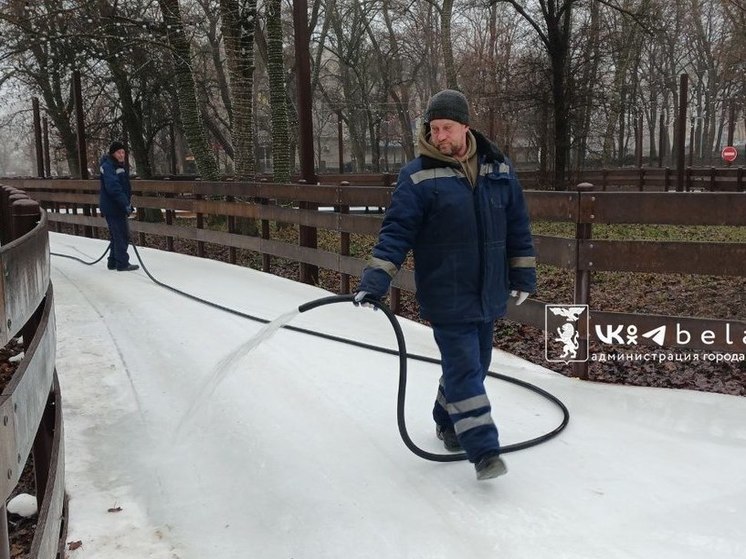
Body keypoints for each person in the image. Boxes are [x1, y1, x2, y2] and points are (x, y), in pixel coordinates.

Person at [354, 89, 536, 481]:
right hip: (445, 292)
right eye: (433, 129)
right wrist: (375, 280)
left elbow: (517, 226)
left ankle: (446, 419)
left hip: (487, 291)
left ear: (466, 127)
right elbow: (396, 232)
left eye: (447, 128)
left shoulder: (498, 169)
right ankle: (484, 451)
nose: (439, 136)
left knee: (477, 364)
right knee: (465, 368)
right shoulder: (417, 176)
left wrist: (522, 274)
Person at [99, 140, 139, 272]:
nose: (122, 155)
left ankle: (113, 261)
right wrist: (125, 203)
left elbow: (123, 186)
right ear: (113, 153)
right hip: (113, 206)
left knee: (117, 234)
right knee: (121, 234)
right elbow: (114, 188)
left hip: (117, 206)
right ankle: (122, 263)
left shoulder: (118, 165)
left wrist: (126, 203)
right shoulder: (109, 166)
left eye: (123, 152)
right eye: (118, 152)